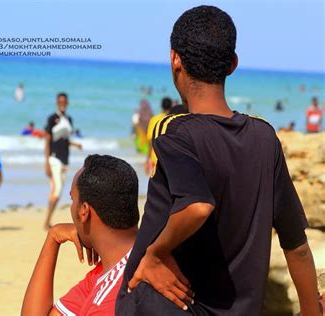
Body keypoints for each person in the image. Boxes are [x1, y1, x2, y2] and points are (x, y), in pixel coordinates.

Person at [116, 6, 320, 315]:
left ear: (175, 59)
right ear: (233, 64)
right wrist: (311, 311)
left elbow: (198, 207)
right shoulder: (264, 139)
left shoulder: (179, 135)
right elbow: (298, 248)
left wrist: (156, 253)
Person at [22, 155, 139, 315]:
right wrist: (53, 236)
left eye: (72, 199)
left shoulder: (111, 298)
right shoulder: (114, 265)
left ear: (84, 211)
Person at [43, 92, 82, 230]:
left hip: (65, 161)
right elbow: (47, 140)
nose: (62, 103)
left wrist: (75, 144)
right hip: (54, 159)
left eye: (64, 101)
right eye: (60, 101)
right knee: (57, 190)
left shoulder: (69, 119)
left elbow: (64, 140)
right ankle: (46, 221)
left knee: (57, 192)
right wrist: (46, 161)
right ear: (57, 102)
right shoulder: (52, 119)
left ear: (67, 102)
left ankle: (47, 220)